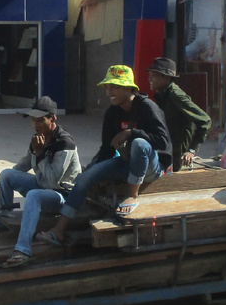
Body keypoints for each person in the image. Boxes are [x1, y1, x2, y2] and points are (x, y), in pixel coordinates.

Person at [36, 64, 172, 246]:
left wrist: (131, 132)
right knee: (86, 177)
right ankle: (58, 230)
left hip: (151, 167)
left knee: (140, 144)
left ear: (128, 88)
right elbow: (107, 150)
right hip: (127, 163)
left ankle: (133, 195)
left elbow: (163, 142)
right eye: (108, 87)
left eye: (114, 87)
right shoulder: (112, 113)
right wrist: (94, 171)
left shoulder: (147, 107)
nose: (109, 92)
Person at [0, 96, 82, 268]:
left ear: (53, 118)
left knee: (34, 195)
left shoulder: (65, 143)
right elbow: (22, 166)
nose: (36, 125)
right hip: (43, 185)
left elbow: (52, 181)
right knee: (6, 174)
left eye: (41, 120)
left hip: (62, 196)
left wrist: (40, 153)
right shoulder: (38, 138)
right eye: (34, 120)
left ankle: (23, 250)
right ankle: (2, 221)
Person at [147, 57, 211, 171]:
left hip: (176, 156)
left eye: (154, 75)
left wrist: (191, 150)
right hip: (166, 149)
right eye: (150, 74)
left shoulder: (175, 95)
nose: (149, 79)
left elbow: (205, 120)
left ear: (166, 78)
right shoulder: (162, 94)